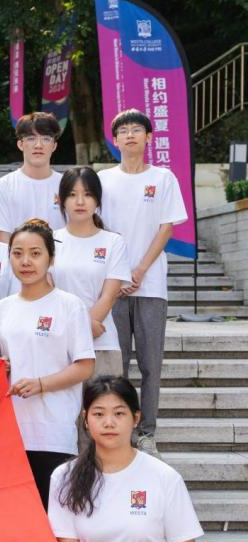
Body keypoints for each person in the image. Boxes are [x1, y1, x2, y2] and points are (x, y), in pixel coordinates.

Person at [49, 377, 202, 542]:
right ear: (85, 418)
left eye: (119, 413)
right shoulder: (64, 477)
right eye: (99, 414)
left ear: (136, 418)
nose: (109, 422)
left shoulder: (164, 477)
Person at [99, 109, 188, 458]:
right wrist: (120, 272)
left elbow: (167, 227)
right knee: (116, 365)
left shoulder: (163, 178)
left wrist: (140, 269)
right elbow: (98, 228)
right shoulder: (103, 180)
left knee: (151, 365)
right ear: (115, 139)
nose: (130, 135)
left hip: (151, 287)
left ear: (149, 137)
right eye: (123, 130)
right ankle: (117, 430)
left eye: (137, 129)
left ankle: (147, 432)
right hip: (113, 286)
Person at [0, 219, 95, 511]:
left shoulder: (69, 305)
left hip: (54, 431)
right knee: (17, 516)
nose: (26, 261)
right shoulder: (1, 309)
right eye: (17, 253)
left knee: (53, 514)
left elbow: (85, 366)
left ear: (51, 257)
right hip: (10, 432)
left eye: (35, 253)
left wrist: (40, 384)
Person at [53, 167, 130, 380]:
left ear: (97, 200)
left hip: (102, 343)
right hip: (58, 344)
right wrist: (85, 326)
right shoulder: (49, 241)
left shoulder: (113, 242)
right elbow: (48, 293)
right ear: (61, 200)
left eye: (87, 194)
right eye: (72, 195)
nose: (80, 202)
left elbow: (109, 296)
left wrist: (85, 328)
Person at [0, 112, 64, 242]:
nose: (38, 145)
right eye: (31, 138)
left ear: (54, 146)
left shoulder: (66, 185)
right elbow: (3, 240)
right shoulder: (3, 186)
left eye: (46, 139)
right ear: (20, 144)